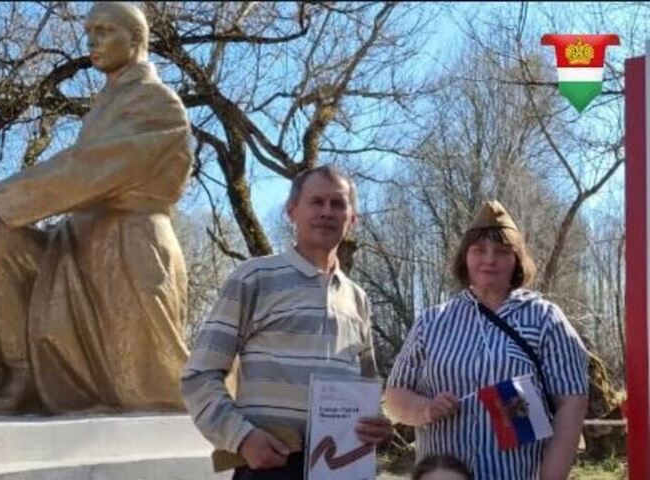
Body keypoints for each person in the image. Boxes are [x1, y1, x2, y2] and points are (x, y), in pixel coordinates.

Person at [0, 2, 193, 415]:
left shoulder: (157, 102)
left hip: (127, 249)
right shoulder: (106, 103)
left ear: (136, 39)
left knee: (143, 391)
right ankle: (21, 374)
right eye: (89, 31)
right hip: (75, 246)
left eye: (104, 31)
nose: (91, 41)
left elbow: (89, 170)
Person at [181, 166, 392, 479]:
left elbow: (368, 386)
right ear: (291, 211)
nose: (326, 212)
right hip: (270, 467)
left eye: (338, 204)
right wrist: (242, 438)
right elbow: (199, 376)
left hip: (342, 468)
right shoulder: (253, 278)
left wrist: (378, 422)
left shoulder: (357, 299)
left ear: (352, 219)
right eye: (316, 201)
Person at [386, 200, 588, 480]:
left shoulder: (545, 319)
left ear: (517, 259)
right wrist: (426, 409)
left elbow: (572, 403)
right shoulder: (431, 322)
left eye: (502, 251)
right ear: (465, 257)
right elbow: (394, 394)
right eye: (479, 249)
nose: (490, 259)